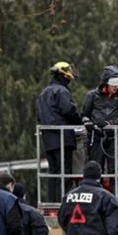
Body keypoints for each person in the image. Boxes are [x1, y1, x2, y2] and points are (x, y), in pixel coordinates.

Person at [37, 61, 83, 202]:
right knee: (65, 173)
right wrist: (82, 121)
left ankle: (52, 203)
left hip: (48, 140)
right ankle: (62, 203)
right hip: (63, 138)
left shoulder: (44, 93)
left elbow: (39, 116)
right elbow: (68, 111)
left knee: (54, 172)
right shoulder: (61, 91)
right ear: (64, 75)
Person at [81, 65, 118, 195]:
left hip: (113, 137)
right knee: (96, 168)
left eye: (117, 84)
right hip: (96, 137)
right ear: (105, 83)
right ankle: (96, 197)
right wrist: (89, 123)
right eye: (113, 84)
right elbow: (84, 114)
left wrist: (110, 123)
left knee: (115, 170)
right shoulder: (92, 96)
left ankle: (115, 198)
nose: (116, 87)